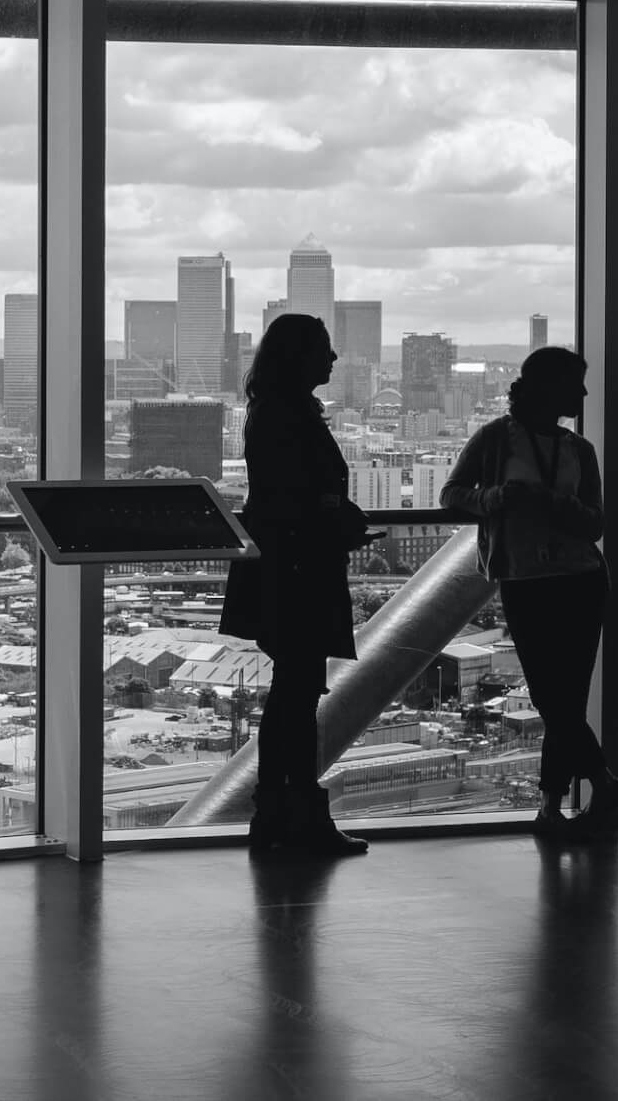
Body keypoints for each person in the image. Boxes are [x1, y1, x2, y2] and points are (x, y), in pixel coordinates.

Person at [441, 346, 618, 837]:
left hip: (577, 580)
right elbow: (452, 494)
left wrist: (543, 502)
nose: (585, 393)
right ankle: (601, 782)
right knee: (555, 698)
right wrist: (500, 498)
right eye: (576, 384)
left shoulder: (578, 449)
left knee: (562, 698)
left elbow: (594, 523)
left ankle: (551, 805)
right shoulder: (496, 440)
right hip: (532, 580)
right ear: (550, 388)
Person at [219, 313, 372, 857]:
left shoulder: (271, 411)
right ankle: (297, 814)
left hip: (284, 567)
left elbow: (282, 494)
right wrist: (336, 519)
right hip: (299, 570)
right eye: (325, 350)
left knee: (293, 695)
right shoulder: (290, 415)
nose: (333, 360)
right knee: (297, 697)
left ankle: (280, 813)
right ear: (299, 357)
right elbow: (296, 497)